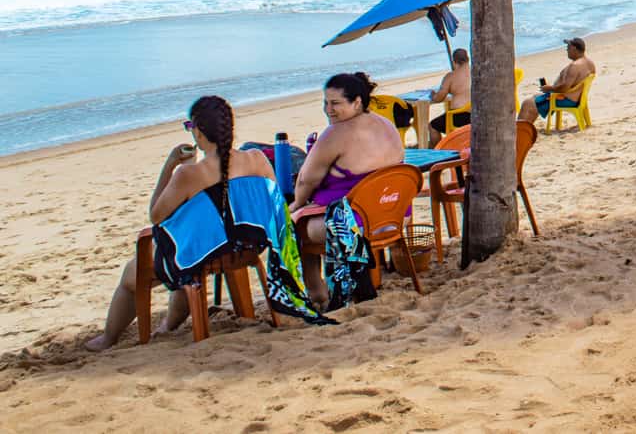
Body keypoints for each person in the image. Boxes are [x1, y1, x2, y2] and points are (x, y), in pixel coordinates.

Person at [86, 95, 276, 351]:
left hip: (206, 252)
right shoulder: (256, 159)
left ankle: (109, 338)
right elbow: (269, 199)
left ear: (198, 131)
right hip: (248, 245)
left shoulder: (189, 174)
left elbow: (156, 214)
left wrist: (171, 166)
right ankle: (168, 326)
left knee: (135, 275)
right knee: (190, 251)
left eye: (190, 126)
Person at [291, 72, 404, 307]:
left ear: (357, 102)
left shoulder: (336, 133)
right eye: (325, 102)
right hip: (392, 216)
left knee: (294, 224)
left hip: (356, 226)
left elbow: (306, 181)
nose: (328, 109)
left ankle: (316, 292)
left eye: (335, 103)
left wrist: (296, 205)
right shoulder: (387, 125)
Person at [527, 37, 596, 123]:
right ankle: (526, 128)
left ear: (574, 48)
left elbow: (564, 88)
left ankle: (523, 131)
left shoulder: (575, 66)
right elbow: (575, 83)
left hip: (566, 100)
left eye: (568, 47)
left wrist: (550, 88)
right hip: (577, 98)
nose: (566, 49)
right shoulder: (590, 63)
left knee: (529, 103)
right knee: (534, 99)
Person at [428, 48, 472, 139]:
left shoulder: (451, 76)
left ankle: (438, 151)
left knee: (432, 126)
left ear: (454, 61)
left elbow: (439, 98)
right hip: (474, 114)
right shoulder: (477, 72)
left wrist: (433, 95)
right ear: (468, 59)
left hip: (457, 116)